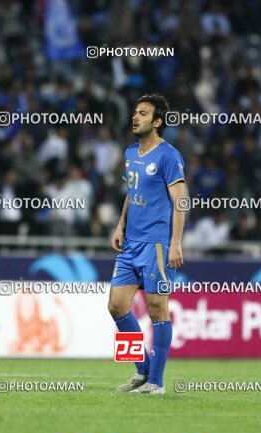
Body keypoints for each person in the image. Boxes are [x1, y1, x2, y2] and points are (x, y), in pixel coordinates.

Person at [108, 94, 186, 395]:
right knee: (116, 306)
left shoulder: (168, 156)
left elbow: (181, 201)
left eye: (142, 113)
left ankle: (157, 382)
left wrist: (175, 243)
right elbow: (132, 191)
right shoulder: (130, 152)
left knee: (157, 308)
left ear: (157, 121)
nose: (135, 117)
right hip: (131, 244)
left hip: (157, 244)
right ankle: (142, 372)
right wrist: (120, 223)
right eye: (134, 112)